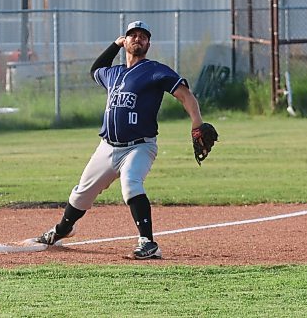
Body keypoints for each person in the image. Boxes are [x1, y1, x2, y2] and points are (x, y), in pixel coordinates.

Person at [35, 20, 211, 259]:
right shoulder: (114, 73)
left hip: (139, 146)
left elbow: (185, 96)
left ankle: (148, 243)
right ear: (125, 41)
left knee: (131, 184)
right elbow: (95, 69)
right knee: (80, 194)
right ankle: (62, 230)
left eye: (143, 36)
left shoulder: (156, 70)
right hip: (107, 147)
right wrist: (114, 45)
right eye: (132, 35)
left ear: (148, 43)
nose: (137, 38)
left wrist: (197, 123)